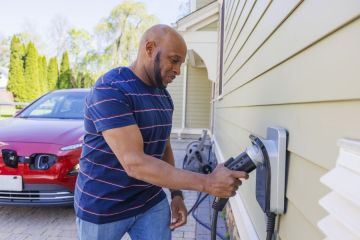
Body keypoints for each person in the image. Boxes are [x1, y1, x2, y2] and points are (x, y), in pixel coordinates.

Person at [74, 24, 248, 240]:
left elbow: (163, 147)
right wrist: (208, 182)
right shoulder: (111, 89)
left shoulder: (164, 97)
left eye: (181, 63)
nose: (178, 70)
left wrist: (176, 195)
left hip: (149, 201)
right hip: (104, 205)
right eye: (174, 60)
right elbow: (134, 162)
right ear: (149, 48)